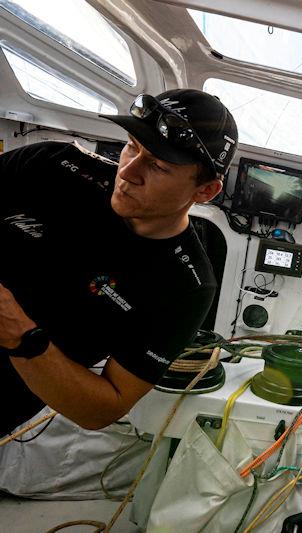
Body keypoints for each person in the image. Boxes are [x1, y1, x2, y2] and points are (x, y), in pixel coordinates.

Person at [0, 89, 237, 437]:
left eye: (157, 165)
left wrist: (19, 335)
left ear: (205, 192)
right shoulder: (52, 165)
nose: (128, 172)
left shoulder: (185, 285)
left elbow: (103, 409)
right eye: (131, 146)